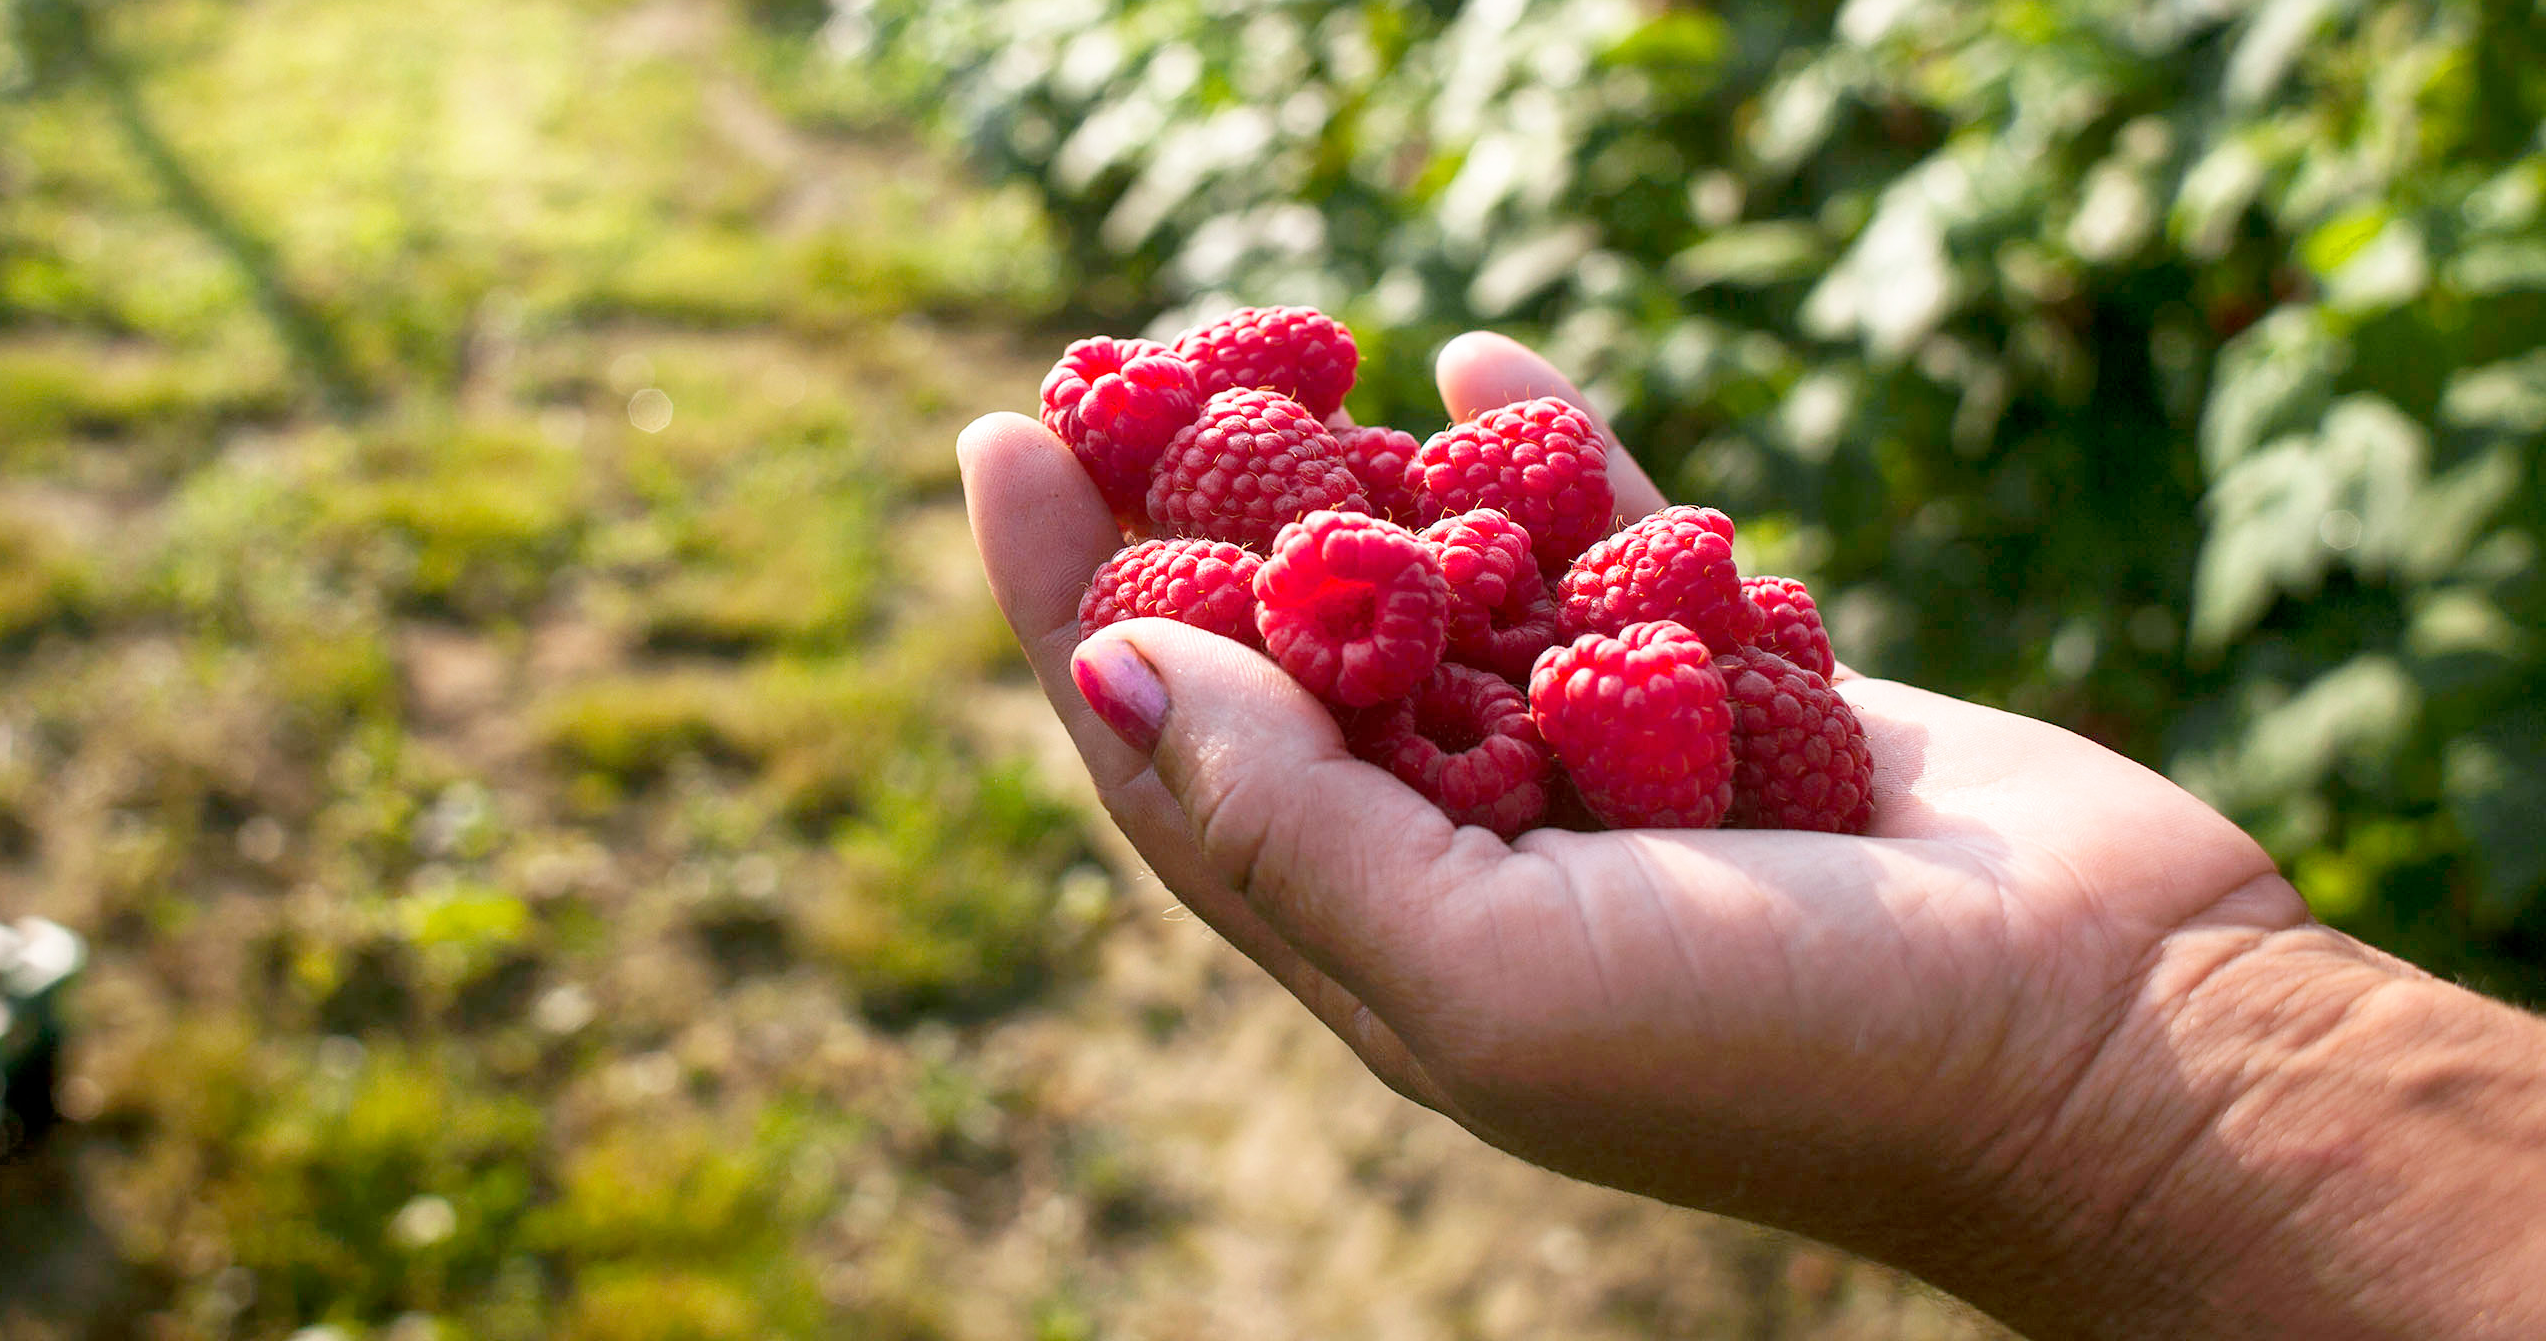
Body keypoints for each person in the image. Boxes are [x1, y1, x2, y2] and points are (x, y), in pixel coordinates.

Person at [956, 329, 2546, 1341]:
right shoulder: (1405, 568)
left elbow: (1597, 624)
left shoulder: (1555, 636)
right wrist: (2128, 1057)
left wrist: (2110, 1064)